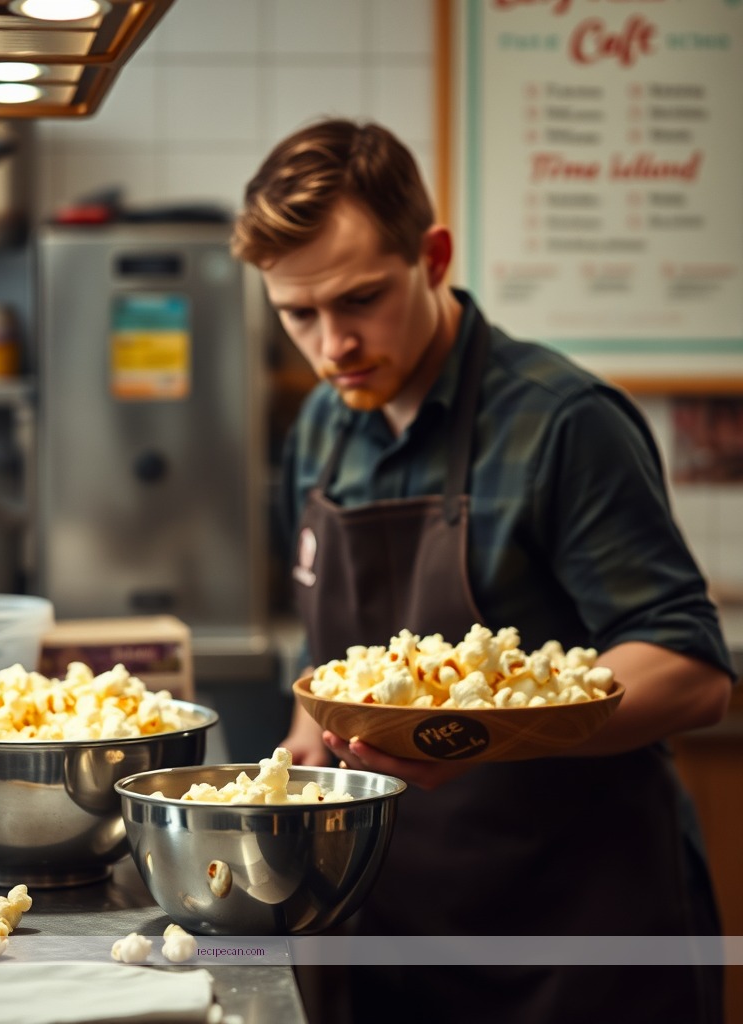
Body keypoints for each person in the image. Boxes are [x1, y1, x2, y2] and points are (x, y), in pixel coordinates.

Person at [231, 117, 736, 1024]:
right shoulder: (320, 431)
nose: (332, 345)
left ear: (432, 256)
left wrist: (471, 727)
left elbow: (693, 671)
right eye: (297, 314)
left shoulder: (562, 424)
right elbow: (333, 670)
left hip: (582, 942)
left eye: (360, 300)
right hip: (396, 935)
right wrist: (308, 741)